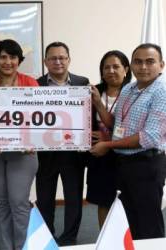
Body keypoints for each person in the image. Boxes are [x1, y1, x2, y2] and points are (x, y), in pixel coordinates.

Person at [90, 43, 166, 239]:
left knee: (148, 223)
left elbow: (148, 137)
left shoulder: (162, 92)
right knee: (129, 221)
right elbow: (117, 124)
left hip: (147, 165)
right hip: (124, 165)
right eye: (138, 62)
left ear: (162, 65)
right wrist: (98, 103)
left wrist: (108, 145)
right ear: (131, 65)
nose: (143, 67)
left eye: (150, 62)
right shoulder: (128, 89)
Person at [0, 39, 39, 250]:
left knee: (18, 202)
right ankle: (8, 247)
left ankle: (23, 246)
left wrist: (31, 140)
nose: (8, 62)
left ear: (19, 60)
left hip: (24, 154)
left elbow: (40, 118)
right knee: (1, 202)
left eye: (13, 57)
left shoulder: (30, 83)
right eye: (3, 57)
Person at [36, 41, 89, 246]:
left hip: (73, 153)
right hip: (45, 153)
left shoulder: (82, 82)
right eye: (53, 58)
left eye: (62, 57)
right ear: (45, 61)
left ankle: (69, 238)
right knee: (45, 198)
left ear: (69, 60)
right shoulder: (35, 84)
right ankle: (47, 236)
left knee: (74, 198)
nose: (58, 62)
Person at [86, 50, 131, 229]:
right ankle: (105, 239)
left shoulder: (133, 93)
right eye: (106, 67)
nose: (111, 71)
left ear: (126, 69)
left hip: (125, 155)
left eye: (116, 66)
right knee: (103, 200)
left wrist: (98, 104)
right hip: (100, 155)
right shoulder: (95, 91)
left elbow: (127, 127)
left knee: (126, 201)